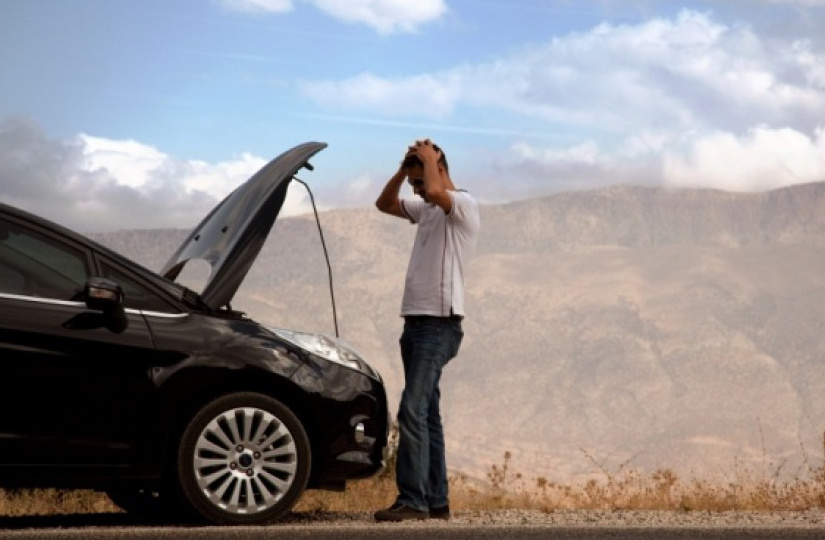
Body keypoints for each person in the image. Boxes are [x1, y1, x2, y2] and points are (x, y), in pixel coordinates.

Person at [373, 139, 481, 522]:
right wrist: (404, 172)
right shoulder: (427, 210)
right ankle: (437, 501)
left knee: (412, 409)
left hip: (439, 323)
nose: (418, 191)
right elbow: (384, 204)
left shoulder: (461, 204)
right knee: (428, 414)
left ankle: (412, 501)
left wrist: (430, 161)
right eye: (415, 185)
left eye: (420, 183)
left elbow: (437, 190)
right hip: (416, 322)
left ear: (439, 168)